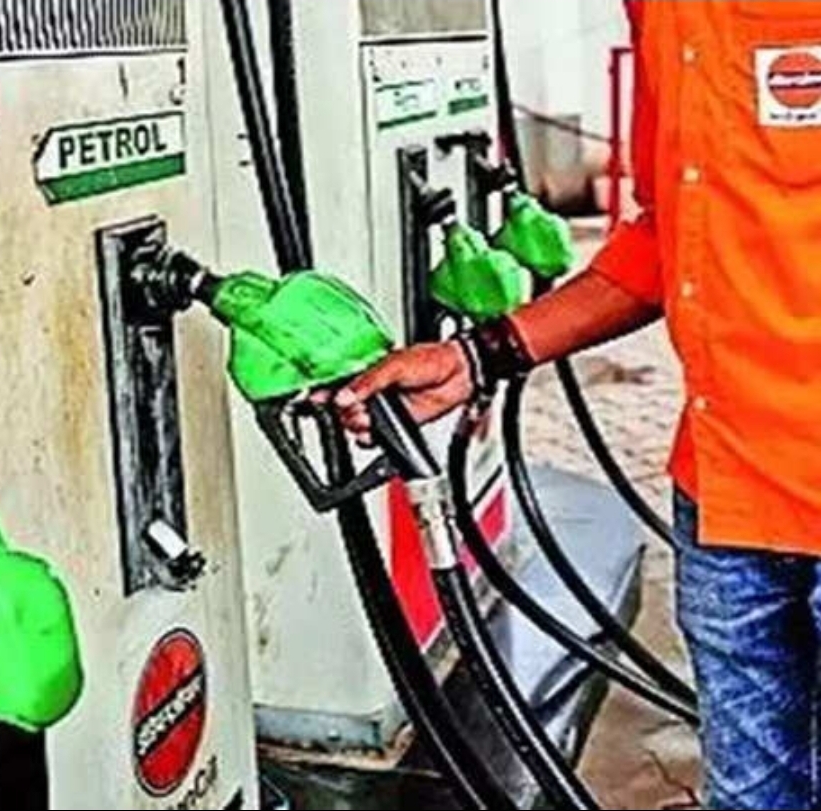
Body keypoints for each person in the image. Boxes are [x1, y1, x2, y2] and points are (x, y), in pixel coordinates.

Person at [332, 2, 821, 809]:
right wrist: (475, 357)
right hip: (725, 500)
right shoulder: (665, 15)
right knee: (747, 795)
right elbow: (666, 236)